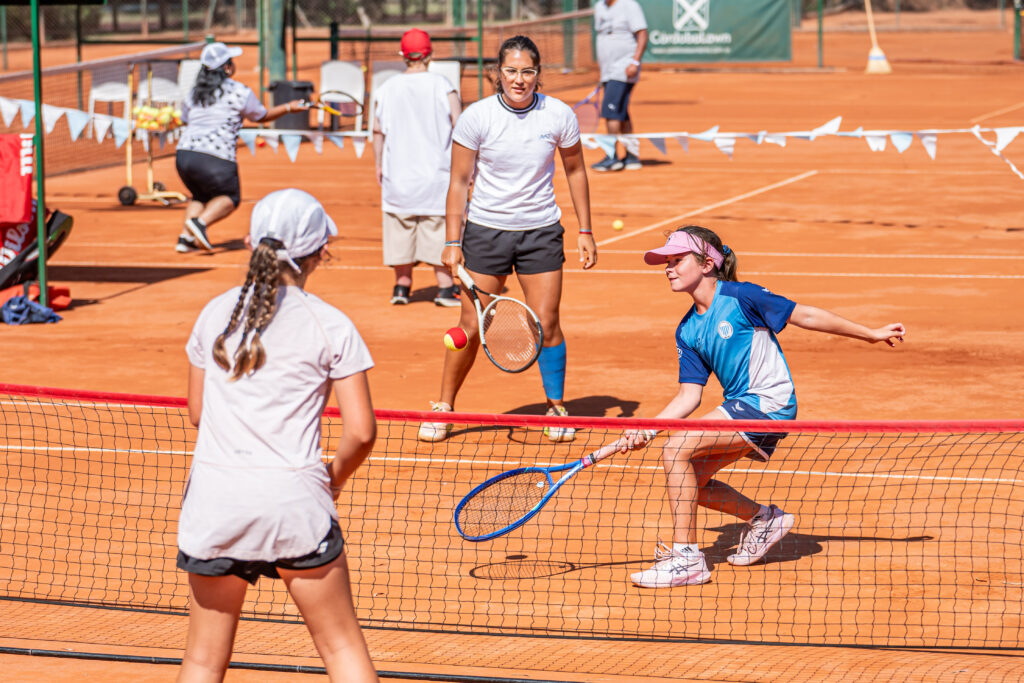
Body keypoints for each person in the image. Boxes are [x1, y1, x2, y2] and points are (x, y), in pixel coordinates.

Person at [624, 225, 906, 588]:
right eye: (666, 262)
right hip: (742, 407)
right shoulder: (687, 330)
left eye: (677, 260)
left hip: (767, 403)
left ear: (707, 264)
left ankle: (687, 559)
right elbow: (688, 396)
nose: (668, 268)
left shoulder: (743, 297)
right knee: (693, 480)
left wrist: (870, 333)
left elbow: (805, 315)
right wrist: (645, 428)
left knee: (676, 448)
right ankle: (764, 519)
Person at [177, 188, 378, 681]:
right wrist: (332, 479)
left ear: (250, 242)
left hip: (215, 501)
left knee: (202, 660)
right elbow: (361, 433)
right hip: (295, 504)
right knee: (341, 648)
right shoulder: (332, 325)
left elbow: (198, 413)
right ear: (320, 250)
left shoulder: (212, 315)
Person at [417, 35, 597, 443]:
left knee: (547, 323)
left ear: (538, 74)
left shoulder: (558, 115)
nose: (519, 79)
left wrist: (585, 230)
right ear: (498, 74)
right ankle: (444, 406)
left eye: (528, 71)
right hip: (485, 232)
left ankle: (555, 408)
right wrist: (452, 240)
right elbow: (459, 181)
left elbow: (575, 172)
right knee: (471, 324)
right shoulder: (477, 117)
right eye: (511, 71)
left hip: (541, 233)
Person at [174, 42, 309, 253]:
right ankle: (200, 223)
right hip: (216, 156)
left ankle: (185, 237)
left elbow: (184, 119)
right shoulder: (238, 91)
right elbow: (260, 115)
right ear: (226, 67)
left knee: (200, 195)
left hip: (184, 155)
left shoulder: (194, 93)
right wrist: (289, 107)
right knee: (229, 198)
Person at [372, 28, 462, 307]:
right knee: (438, 229)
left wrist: (378, 164)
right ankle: (445, 289)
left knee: (400, 228)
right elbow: (461, 126)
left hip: (398, 176)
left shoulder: (386, 88)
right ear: (429, 54)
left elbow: (377, 130)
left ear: (403, 55)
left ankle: (401, 287)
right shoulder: (442, 85)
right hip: (436, 176)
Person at [591, 0, 648, 173]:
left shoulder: (629, 5)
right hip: (607, 71)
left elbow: (642, 34)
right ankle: (631, 156)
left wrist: (634, 62)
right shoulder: (599, 7)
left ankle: (611, 157)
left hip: (624, 68)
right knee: (621, 112)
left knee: (611, 112)